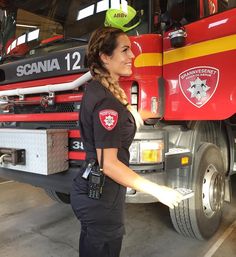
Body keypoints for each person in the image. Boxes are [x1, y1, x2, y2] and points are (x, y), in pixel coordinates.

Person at [70, 26, 185, 257]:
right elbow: (110, 164)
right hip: (101, 198)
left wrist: (136, 116)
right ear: (105, 57)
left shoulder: (97, 90)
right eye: (125, 50)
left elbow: (113, 123)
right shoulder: (106, 103)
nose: (132, 55)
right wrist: (158, 190)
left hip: (94, 193)